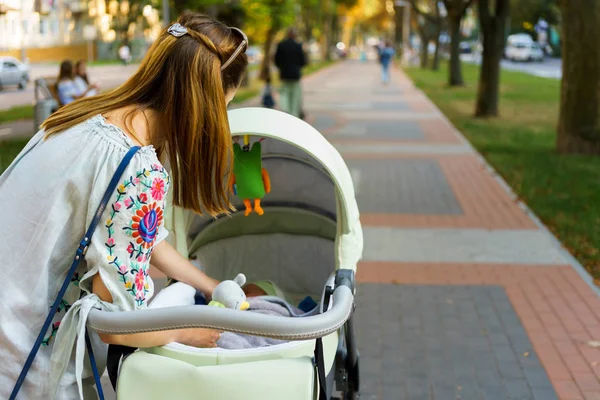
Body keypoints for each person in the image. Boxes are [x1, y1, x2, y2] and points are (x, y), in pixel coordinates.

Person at [0, 11, 248, 399]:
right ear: (209, 103)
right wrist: (188, 332)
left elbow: (139, 238)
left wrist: (209, 285)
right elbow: (117, 326)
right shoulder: (136, 170)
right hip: (21, 366)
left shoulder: (80, 118)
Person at [274, 27, 307, 118]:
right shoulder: (298, 46)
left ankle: (286, 111)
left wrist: (281, 68)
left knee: (284, 93)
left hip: (284, 75)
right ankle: (294, 113)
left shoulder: (281, 45)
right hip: (295, 75)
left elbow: (276, 60)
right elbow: (303, 61)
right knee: (295, 95)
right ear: (295, 35)